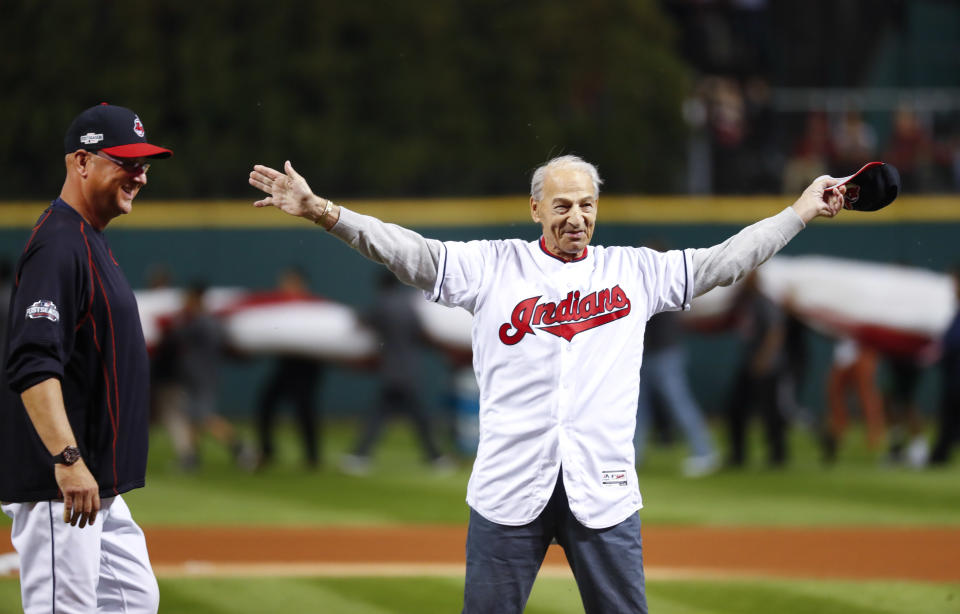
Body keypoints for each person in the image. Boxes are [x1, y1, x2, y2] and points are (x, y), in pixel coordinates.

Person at [249, 154, 844, 613]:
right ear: (535, 209)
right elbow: (409, 253)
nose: (576, 217)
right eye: (562, 205)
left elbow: (726, 260)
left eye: (586, 205)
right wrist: (325, 211)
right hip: (509, 487)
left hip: (603, 490)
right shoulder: (493, 266)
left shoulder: (634, 271)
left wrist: (799, 212)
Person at [1, 103, 171, 613]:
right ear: (81, 162)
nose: (139, 175)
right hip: (62, 484)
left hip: (93, 485)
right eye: (126, 162)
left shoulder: (86, 238)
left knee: (133, 601)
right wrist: (67, 460)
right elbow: (33, 363)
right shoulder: (59, 244)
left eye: (145, 164)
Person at [339, 271, 450, 475]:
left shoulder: (383, 305)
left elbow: (362, 321)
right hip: (409, 371)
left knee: (380, 416)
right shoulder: (408, 307)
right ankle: (435, 457)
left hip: (392, 372)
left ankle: (360, 456)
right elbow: (423, 335)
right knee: (418, 418)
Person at [159, 282, 251, 471]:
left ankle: (241, 449)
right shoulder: (205, 322)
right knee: (192, 416)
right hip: (194, 377)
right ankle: (191, 458)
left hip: (202, 377)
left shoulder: (202, 322)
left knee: (204, 416)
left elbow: (177, 336)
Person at [256, 267, 326, 469]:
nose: (284, 286)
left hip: (307, 366)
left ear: (300, 283)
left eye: (289, 282)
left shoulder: (313, 306)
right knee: (266, 404)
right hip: (286, 365)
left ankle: (312, 457)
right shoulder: (280, 307)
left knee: (305, 410)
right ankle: (267, 451)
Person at [634, 309, 719, 477]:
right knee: (637, 409)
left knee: (679, 404)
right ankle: (632, 457)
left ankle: (705, 452)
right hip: (645, 352)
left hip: (663, 352)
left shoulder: (653, 285)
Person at [723, 270, 792, 469]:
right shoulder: (745, 302)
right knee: (736, 409)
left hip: (767, 366)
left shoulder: (763, 302)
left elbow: (776, 331)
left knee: (770, 412)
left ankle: (778, 456)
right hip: (749, 363)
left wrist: (764, 359)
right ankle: (738, 455)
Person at [821, 337, 885, 464]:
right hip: (843, 353)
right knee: (834, 393)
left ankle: (874, 435)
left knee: (866, 395)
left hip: (863, 349)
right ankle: (838, 432)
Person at [929, 267, 960, 465]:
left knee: (950, 415)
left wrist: (941, 348)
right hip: (953, 372)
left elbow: (954, 340)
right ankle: (939, 455)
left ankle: (939, 455)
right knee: (949, 416)